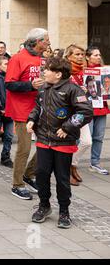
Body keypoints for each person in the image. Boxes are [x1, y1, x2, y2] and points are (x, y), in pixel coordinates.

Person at [28, 57, 93, 229]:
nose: (44, 72)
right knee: (41, 174)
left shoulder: (73, 90)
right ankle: (44, 206)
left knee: (62, 178)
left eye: (47, 69)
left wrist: (67, 127)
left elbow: (85, 112)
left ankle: (64, 211)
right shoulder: (43, 88)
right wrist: (31, 120)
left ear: (58, 74)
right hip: (43, 140)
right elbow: (38, 107)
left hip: (63, 142)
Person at [5, 28, 50, 200]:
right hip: (22, 109)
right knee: (24, 148)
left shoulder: (43, 59)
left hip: (41, 107)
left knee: (47, 144)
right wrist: (30, 85)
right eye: (46, 40)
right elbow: (9, 84)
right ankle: (17, 185)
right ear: (37, 41)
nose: (49, 43)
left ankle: (28, 174)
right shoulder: (17, 58)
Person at [65, 44, 92, 186]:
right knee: (68, 144)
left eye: (82, 54)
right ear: (69, 56)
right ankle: (66, 172)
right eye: (77, 54)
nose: (80, 57)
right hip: (69, 113)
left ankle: (72, 165)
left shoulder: (85, 72)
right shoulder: (65, 72)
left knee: (87, 141)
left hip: (81, 112)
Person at [86, 47, 109, 175]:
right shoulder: (83, 71)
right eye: (95, 55)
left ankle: (95, 163)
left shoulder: (105, 70)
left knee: (99, 137)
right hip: (87, 108)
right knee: (85, 139)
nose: (98, 57)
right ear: (88, 57)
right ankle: (72, 161)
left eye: (99, 54)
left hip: (101, 108)